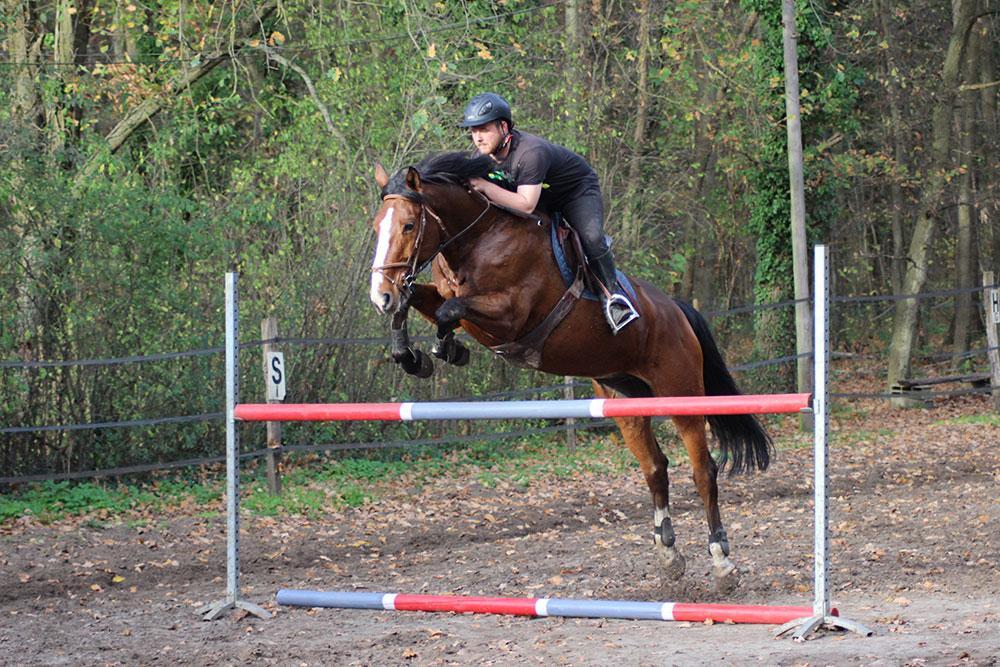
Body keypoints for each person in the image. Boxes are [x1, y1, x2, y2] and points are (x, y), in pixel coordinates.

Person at [458, 92, 639, 334]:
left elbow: (525, 205)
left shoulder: (530, 152)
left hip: (575, 193)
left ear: (503, 126)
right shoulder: (480, 157)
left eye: (484, 129)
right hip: (541, 195)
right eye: (473, 131)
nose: (477, 137)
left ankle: (613, 297)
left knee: (592, 238)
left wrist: (486, 187)